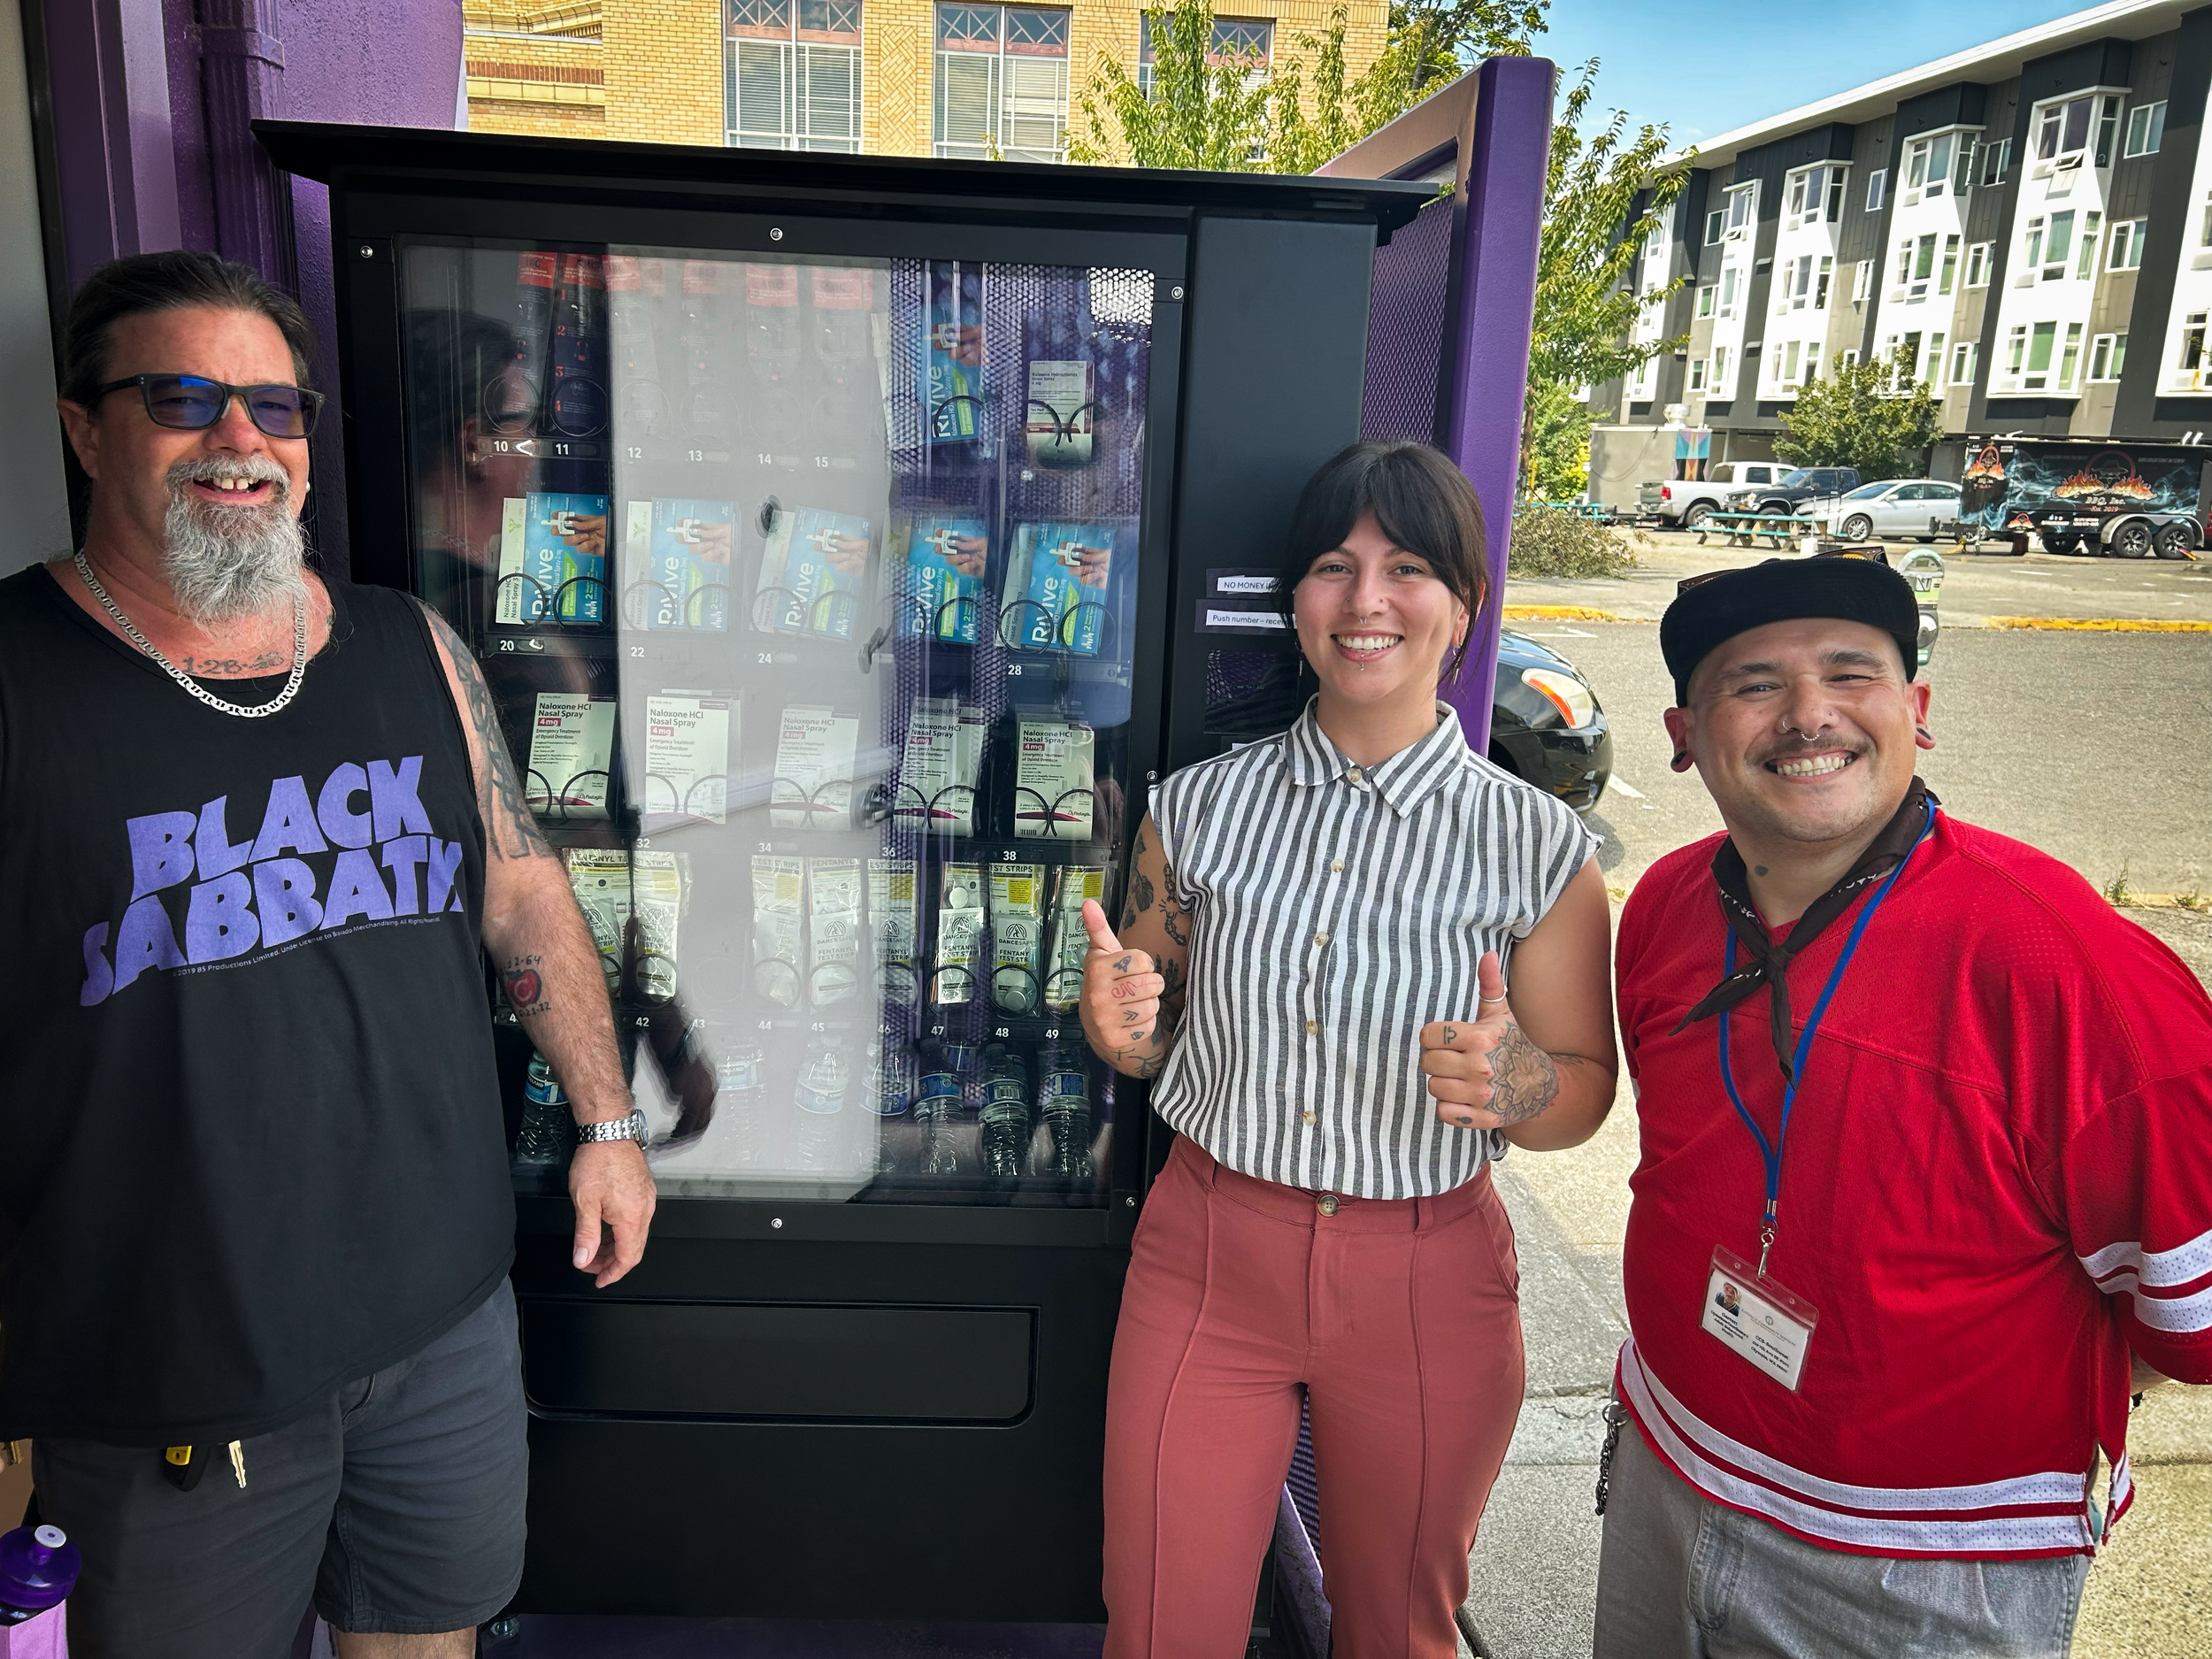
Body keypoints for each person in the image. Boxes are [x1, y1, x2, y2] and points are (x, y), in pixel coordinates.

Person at [0, 250, 656, 1657]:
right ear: (85, 429)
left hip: (443, 1324)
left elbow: (522, 890)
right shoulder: (14, 674)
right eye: (184, 398)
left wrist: (607, 1120)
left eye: (277, 406)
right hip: (169, 1375)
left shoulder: (412, 648)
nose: (241, 438)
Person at [1595, 556, 2212, 1657]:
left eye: (1850, 673)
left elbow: (2188, 1315)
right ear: (1684, 735)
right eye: (1752, 683)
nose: (1807, 713)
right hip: (1666, 1464)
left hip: (1921, 1563)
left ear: (1915, 711)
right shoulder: (1665, 905)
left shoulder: (2068, 968)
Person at [1080, 442, 1617, 1657]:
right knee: (1160, 1620)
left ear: (1464, 605)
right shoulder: (1197, 807)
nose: (1366, 598)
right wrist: (1118, 1029)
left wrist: (1519, 1081)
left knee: (1396, 1629)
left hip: (1426, 1275)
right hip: (1209, 1256)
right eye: (1334, 564)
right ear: (1296, 601)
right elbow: (1149, 1031)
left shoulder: (1536, 845)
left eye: (1407, 567)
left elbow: (1583, 1094)